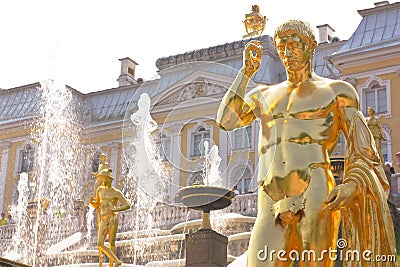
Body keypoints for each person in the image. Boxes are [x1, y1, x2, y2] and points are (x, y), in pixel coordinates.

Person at [217, 20, 396, 266]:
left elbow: (365, 150)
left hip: (314, 188)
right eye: (282, 49)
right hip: (269, 196)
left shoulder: (337, 91)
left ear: (311, 46)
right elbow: (226, 120)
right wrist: (246, 72)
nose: (288, 54)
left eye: (294, 46)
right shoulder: (265, 95)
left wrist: (352, 186)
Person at [89, 168, 130, 267]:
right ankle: (116, 260)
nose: (103, 180)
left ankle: (112, 264)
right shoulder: (100, 190)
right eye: (102, 178)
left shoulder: (116, 192)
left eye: (104, 178)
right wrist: (92, 202)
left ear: (110, 179)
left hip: (113, 218)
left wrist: (116, 210)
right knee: (100, 243)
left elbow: (127, 204)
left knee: (111, 242)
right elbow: (98, 204)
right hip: (103, 218)